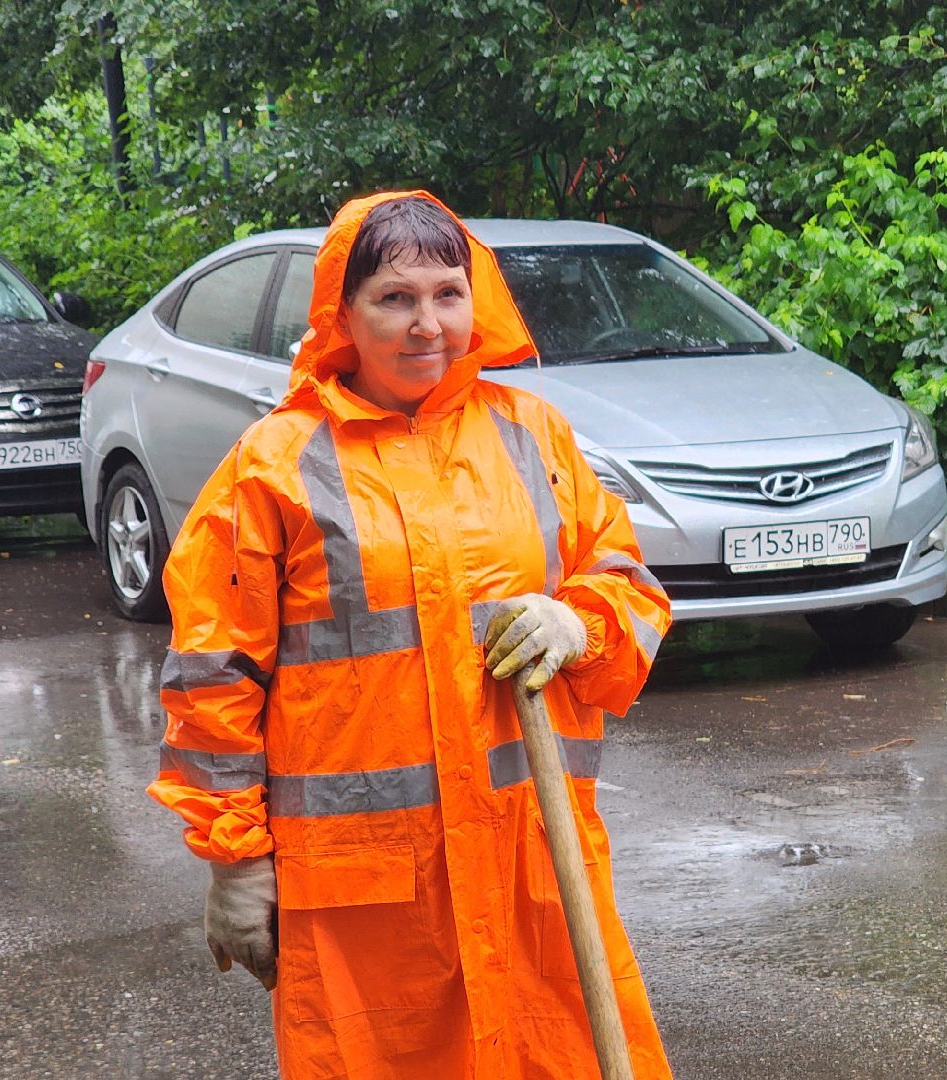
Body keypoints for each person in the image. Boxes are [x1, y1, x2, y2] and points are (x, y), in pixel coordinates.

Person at [147, 191, 673, 1079]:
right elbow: (213, 675)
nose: (426, 323)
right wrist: (234, 863)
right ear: (342, 314)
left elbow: (627, 585)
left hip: (530, 869)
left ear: (477, 303)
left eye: (446, 294)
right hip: (371, 902)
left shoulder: (531, 436)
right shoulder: (275, 467)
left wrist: (575, 621)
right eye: (395, 298)